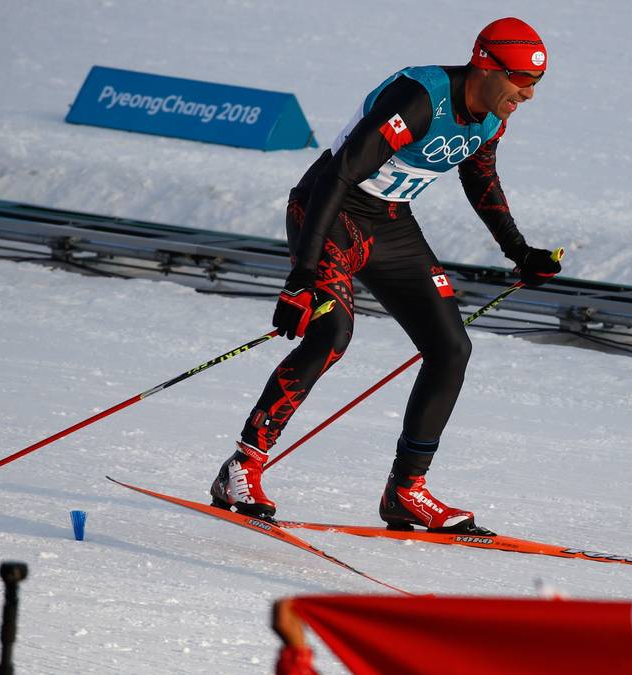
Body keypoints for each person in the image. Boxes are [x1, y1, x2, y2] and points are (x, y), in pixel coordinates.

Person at [210, 17, 561, 534]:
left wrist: (520, 250)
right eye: (521, 81)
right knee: (332, 333)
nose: (528, 95)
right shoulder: (418, 97)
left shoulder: (493, 117)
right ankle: (241, 467)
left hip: (391, 224)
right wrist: (301, 278)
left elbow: (481, 179)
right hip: (329, 212)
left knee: (451, 347)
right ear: (486, 64)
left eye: (537, 83)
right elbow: (340, 173)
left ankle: (406, 492)